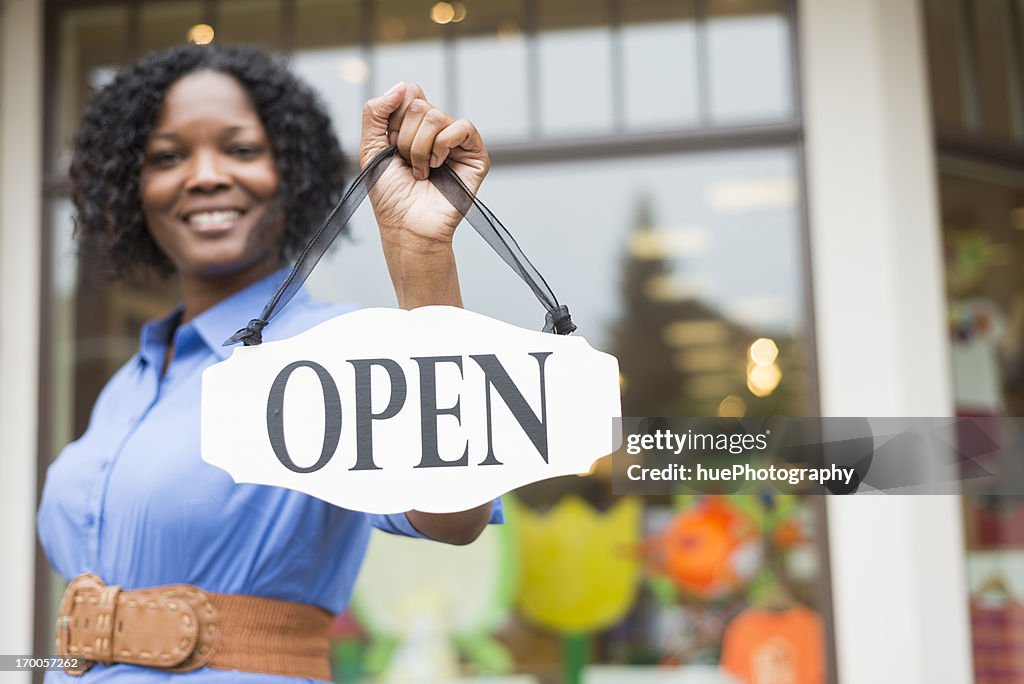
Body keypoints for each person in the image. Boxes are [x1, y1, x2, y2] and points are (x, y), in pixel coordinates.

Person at [37, 44, 502, 681]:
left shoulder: (327, 351)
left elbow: (453, 512)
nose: (204, 175)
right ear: (131, 186)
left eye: (241, 149)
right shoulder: (131, 382)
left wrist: (419, 253)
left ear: (293, 172)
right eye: (168, 156)